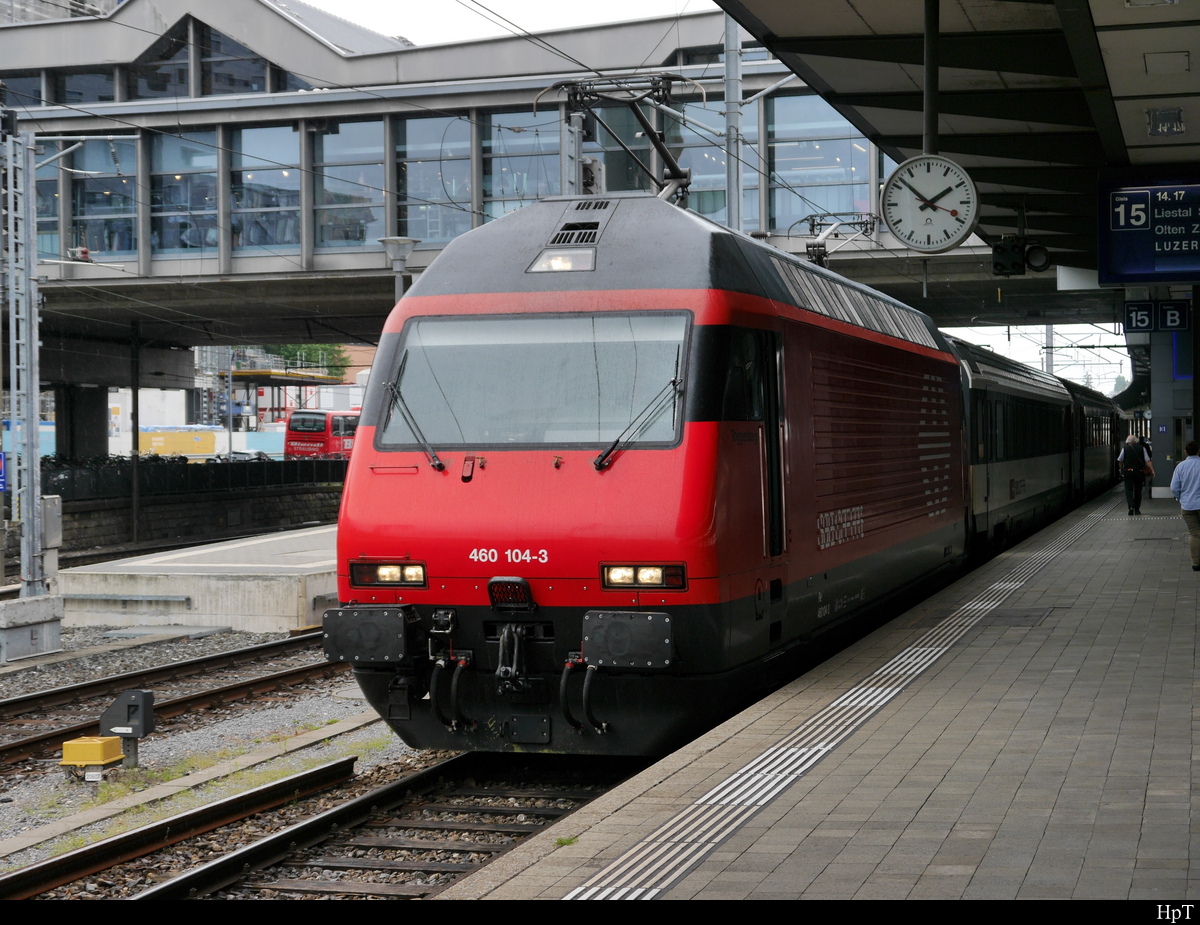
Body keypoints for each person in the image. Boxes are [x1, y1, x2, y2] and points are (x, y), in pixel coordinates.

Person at [1172, 441, 1200, 571]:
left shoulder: (1180, 466)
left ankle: (1195, 563)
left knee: (1194, 534)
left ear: (1185, 452)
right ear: (1198, 451)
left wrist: (1180, 498)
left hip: (1188, 506)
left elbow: (1174, 487)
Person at [1119, 434, 1153, 514]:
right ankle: (1137, 509)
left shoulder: (1124, 449)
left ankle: (1131, 506)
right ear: (1136, 441)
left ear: (1128, 441)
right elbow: (1147, 460)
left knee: (1128, 490)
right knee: (1138, 490)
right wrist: (1152, 470)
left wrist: (1121, 469)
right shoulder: (1142, 448)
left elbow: (1120, 460)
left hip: (1128, 472)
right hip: (1139, 472)